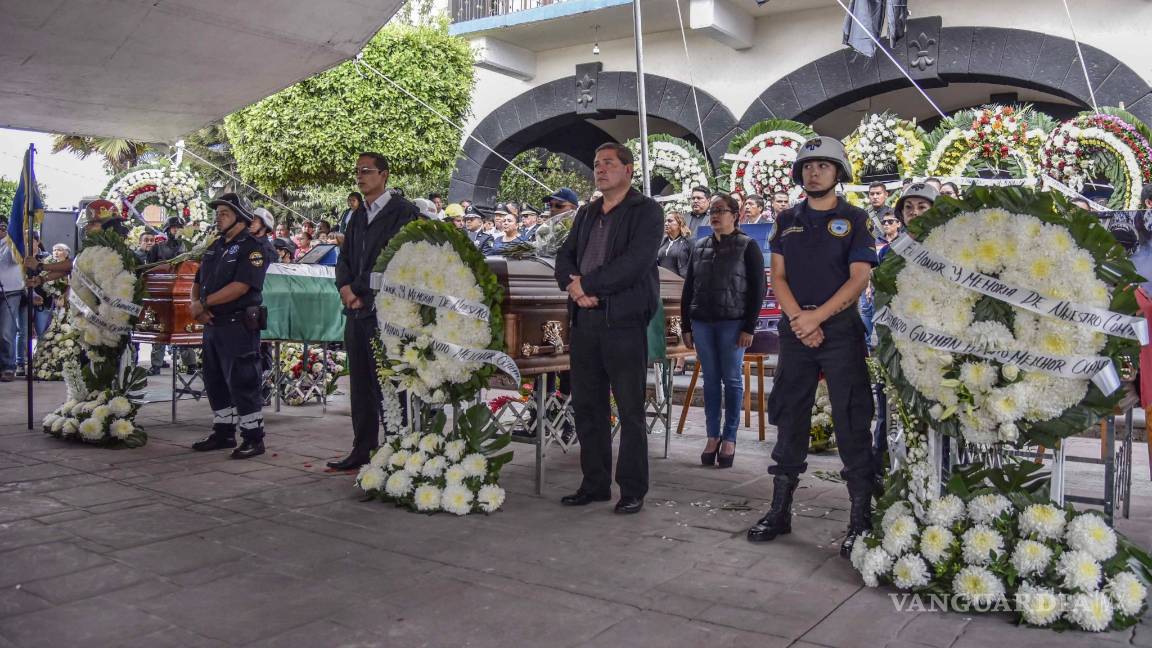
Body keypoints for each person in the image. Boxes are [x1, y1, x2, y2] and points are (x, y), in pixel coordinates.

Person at [746, 136, 878, 557]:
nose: (814, 172)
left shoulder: (856, 219)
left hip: (839, 331)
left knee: (852, 420)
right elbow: (778, 277)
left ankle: (860, 519)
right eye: (807, 166)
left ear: (839, 173)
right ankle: (780, 510)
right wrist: (799, 321)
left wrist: (816, 318)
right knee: (790, 416)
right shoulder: (785, 220)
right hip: (797, 332)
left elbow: (860, 278)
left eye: (823, 165)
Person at [554, 142, 663, 514]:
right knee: (588, 407)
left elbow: (635, 263)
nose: (600, 170)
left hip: (624, 321)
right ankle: (595, 482)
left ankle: (632, 488)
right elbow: (564, 255)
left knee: (630, 409)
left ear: (629, 170)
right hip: (585, 320)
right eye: (597, 164)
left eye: (609, 163)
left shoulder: (646, 211)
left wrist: (588, 285)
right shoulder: (586, 213)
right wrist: (573, 284)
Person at [329, 152, 420, 471]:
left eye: (366, 171)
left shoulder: (404, 212)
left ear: (384, 175)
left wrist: (360, 289)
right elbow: (345, 258)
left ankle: (397, 449)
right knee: (361, 385)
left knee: (390, 385)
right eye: (357, 171)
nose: (360, 176)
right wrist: (344, 287)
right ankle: (362, 447)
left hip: (387, 314)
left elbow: (399, 262)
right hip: (356, 313)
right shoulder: (356, 215)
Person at [682, 193, 766, 469]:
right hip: (703, 321)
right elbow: (688, 287)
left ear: (735, 215)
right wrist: (686, 324)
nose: (715, 215)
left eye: (721, 210)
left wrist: (749, 326)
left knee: (732, 380)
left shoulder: (747, 246)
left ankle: (729, 437)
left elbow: (758, 290)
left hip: (733, 322)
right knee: (710, 381)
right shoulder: (700, 246)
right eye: (712, 211)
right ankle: (712, 436)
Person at [188, 193, 270, 459]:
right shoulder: (215, 246)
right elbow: (198, 279)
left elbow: (242, 286)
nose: (218, 217)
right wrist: (197, 306)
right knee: (214, 380)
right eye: (218, 213)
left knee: (243, 380)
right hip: (213, 324)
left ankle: (253, 437)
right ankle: (223, 432)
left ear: (240, 217)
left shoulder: (252, 247)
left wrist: (203, 303)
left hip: (238, 324)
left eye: (224, 213)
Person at [658, 212, 692, 278]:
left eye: (670, 221)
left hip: (679, 282)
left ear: (680, 223)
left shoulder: (688, 242)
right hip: (661, 281)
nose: (666, 224)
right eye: (665, 221)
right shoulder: (662, 241)